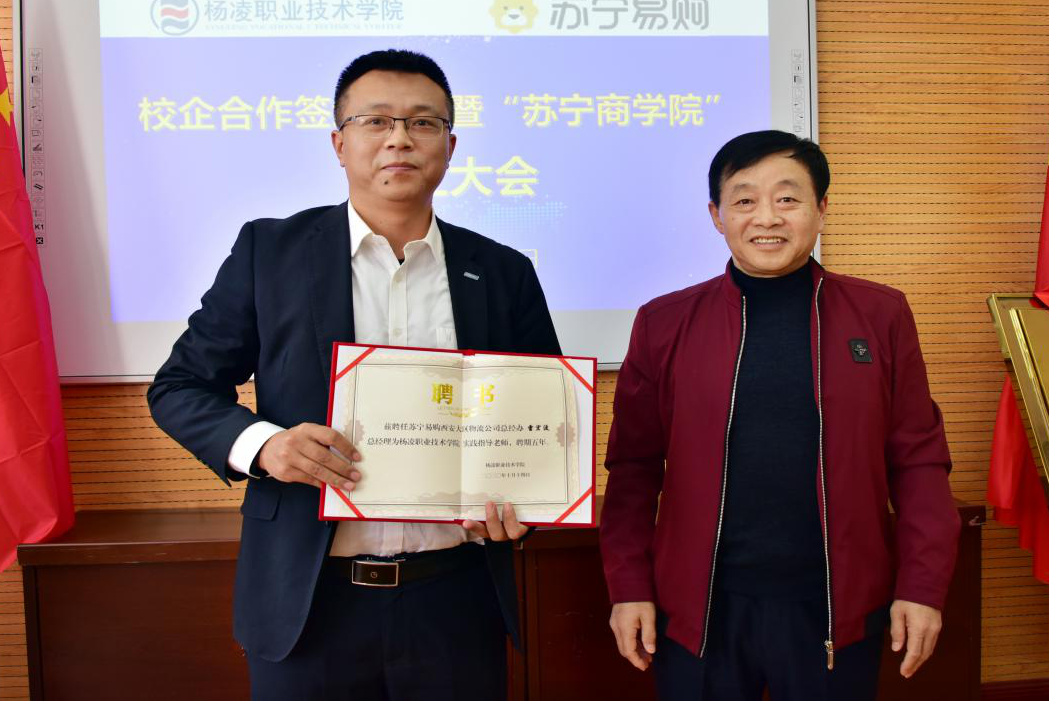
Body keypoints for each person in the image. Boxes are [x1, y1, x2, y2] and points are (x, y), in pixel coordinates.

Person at [147, 49, 561, 700]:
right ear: (339, 143)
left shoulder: (503, 271)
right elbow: (180, 387)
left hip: (456, 603)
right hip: (310, 604)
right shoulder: (269, 253)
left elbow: (538, 423)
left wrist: (521, 505)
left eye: (422, 122)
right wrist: (265, 446)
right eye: (376, 121)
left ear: (450, 146)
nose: (399, 138)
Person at [599, 130, 959, 700]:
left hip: (836, 607)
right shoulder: (664, 323)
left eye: (787, 198)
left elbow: (918, 462)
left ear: (822, 208)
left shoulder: (880, 314)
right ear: (717, 216)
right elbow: (633, 470)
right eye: (744, 200)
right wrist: (628, 587)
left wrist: (922, 586)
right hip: (699, 611)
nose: (767, 217)